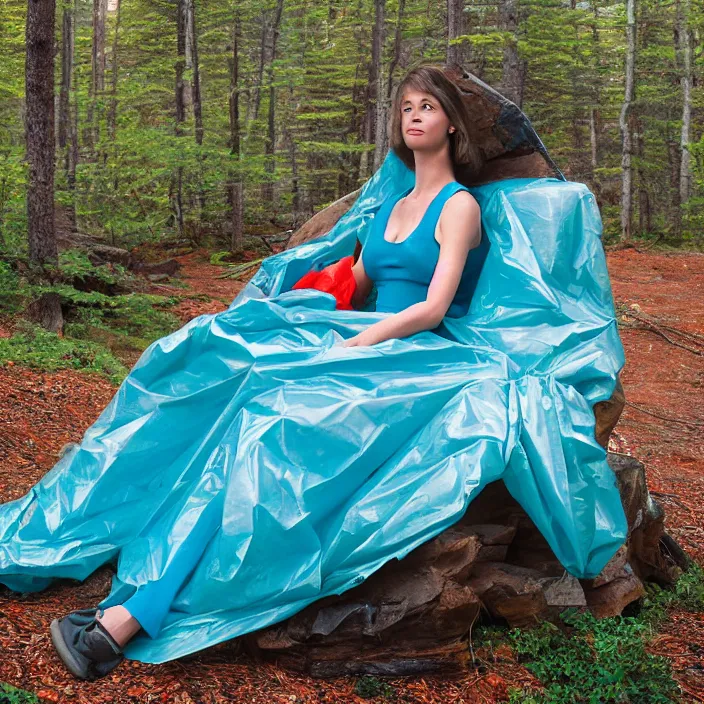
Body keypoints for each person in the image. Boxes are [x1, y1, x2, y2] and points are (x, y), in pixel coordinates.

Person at [41, 63, 487, 680]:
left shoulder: (458, 206)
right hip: (357, 336)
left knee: (267, 430)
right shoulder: (393, 203)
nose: (413, 116)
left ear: (452, 126)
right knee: (220, 376)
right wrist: (297, 298)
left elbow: (433, 306)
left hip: (410, 358)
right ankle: (136, 578)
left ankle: (131, 617)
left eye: (427, 107)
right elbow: (360, 281)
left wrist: (361, 343)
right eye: (406, 106)